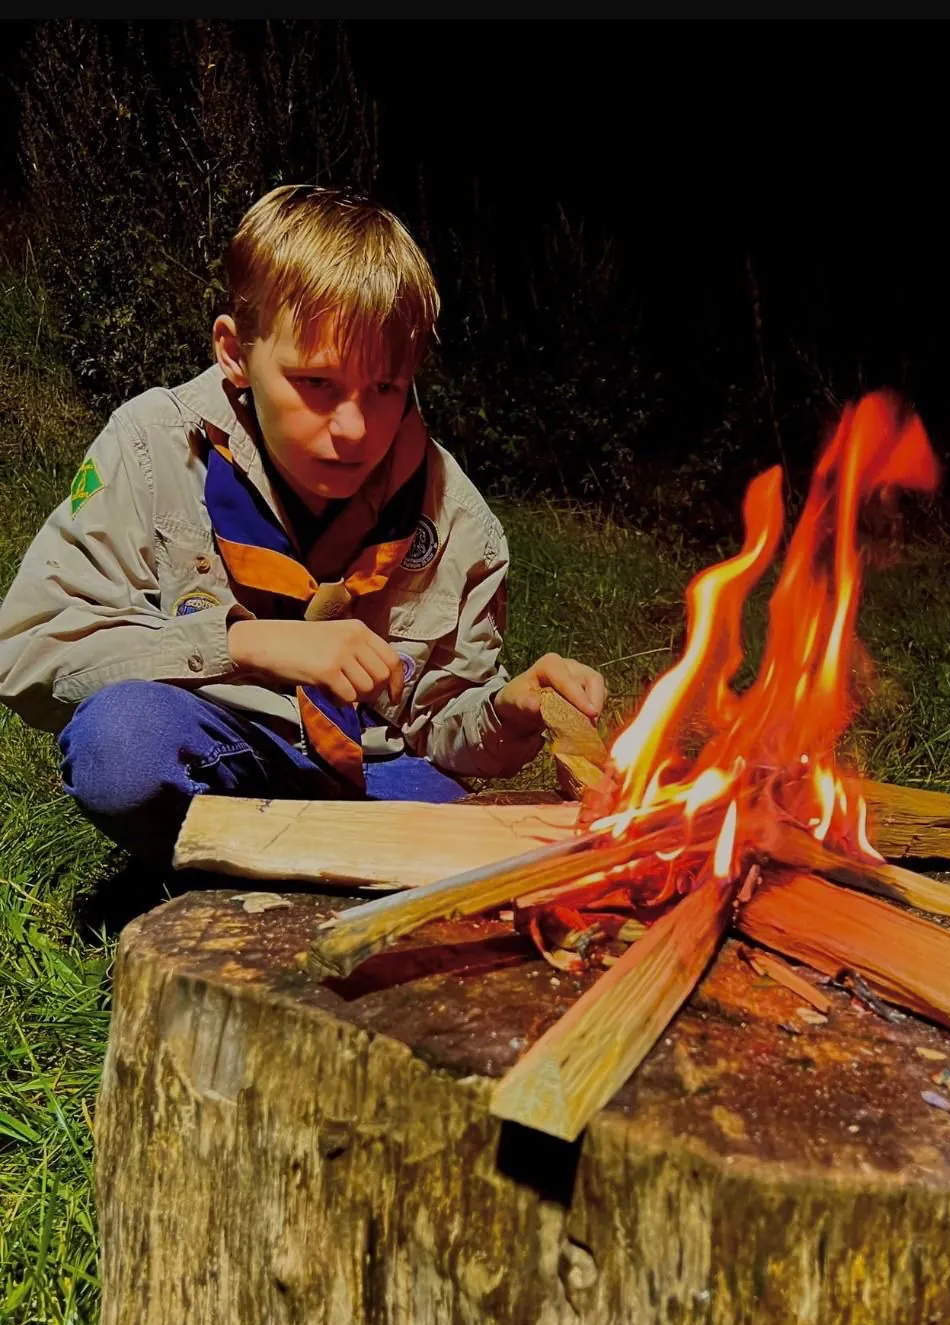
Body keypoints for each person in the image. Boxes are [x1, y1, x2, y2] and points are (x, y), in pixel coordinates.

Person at [0, 185, 606, 863]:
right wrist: (251, 644)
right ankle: (245, 871)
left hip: (379, 772)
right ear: (235, 351)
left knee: (496, 852)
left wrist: (508, 709)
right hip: (221, 746)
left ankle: (296, 878)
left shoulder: (457, 517)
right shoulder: (153, 446)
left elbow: (438, 721)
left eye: (385, 389)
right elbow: (31, 648)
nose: (354, 428)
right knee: (123, 745)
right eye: (316, 383)